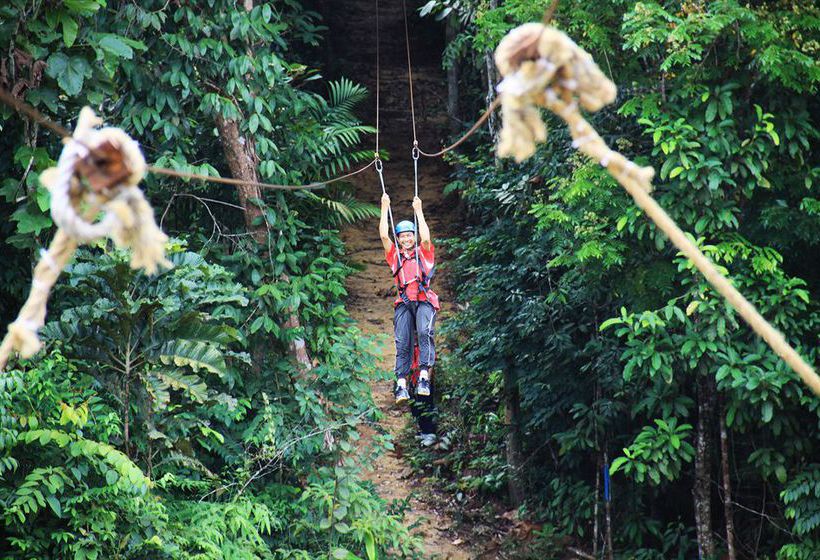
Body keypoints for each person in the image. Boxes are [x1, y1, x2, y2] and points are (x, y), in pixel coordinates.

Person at [379, 194, 439, 425]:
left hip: (424, 300)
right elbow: (384, 235)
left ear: (413, 237)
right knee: (402, 341)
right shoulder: (395, 256)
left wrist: (419, 210)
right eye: (402, 236)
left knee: (425, 333)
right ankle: (402, 382)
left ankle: (423, 376)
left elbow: (426, 237)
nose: (405, 240)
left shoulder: (424, 253)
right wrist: (385, 207)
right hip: (404, 302)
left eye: (408, 236)